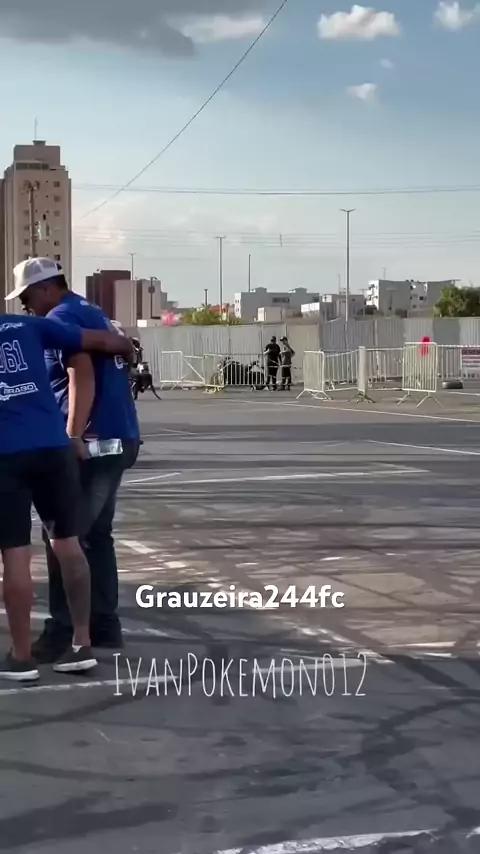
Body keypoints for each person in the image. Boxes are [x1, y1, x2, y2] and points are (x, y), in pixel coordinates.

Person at [5, 258, 141, 663]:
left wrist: (73, 434)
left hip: (90, 440)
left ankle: (64, 632)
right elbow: (116, 346)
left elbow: (80, 371)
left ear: (47, 288)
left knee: (64, 538)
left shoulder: (60, 317)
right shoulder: (91, 311)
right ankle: (104, 624)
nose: (27, 307)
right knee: (96, 534)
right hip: (120, 436)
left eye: (28, 298)